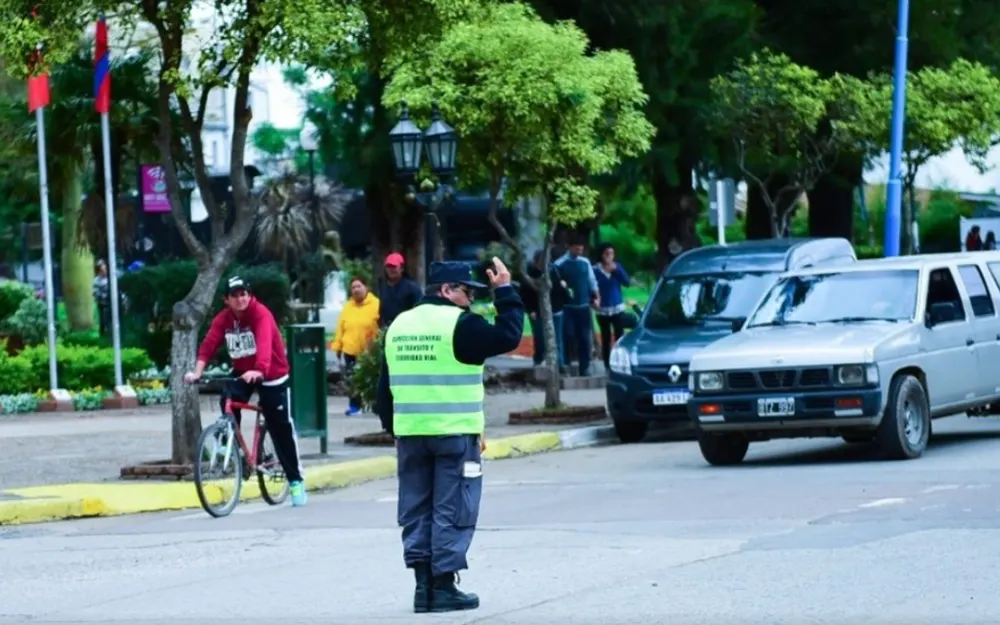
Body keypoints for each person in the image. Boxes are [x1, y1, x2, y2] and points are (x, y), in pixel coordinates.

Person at [377, 258, 523, 613]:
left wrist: (392, 428)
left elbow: (385, 386)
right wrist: (504, 289)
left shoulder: (400, 325)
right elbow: (509, 334)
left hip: (411, 435)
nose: (470, 299)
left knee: (415, 508)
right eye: (466, 291)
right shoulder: (460, 324)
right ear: (446, 290)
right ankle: (443, 586)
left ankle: (422, 587)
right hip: (454, 435)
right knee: (452, 507)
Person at [183, 275, 308, 507]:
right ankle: (233, 448)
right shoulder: (224, 318)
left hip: (271, 373)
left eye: (244, 294)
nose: (240, 299)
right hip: (243, 371)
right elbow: (209, 344)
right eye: (235, 295)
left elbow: (264, 345)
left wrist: (259, 370)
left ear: (250, 296)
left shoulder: (260, 313)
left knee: (280, 426)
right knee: (228, 400)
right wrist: (197, 371)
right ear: (226, 299)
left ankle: (295, 481)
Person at [330, 276, 381, 416]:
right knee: (352, 379)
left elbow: (380, 326)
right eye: (353, 287)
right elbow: (340, 327)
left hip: (369, 350)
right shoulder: (348, 306)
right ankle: (354, 406)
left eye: (359, 286)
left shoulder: (376, 304)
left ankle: (376, 405)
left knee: (372, 379)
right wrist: (338, 346)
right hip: (350, 349)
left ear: (366, 288)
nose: (356, 290)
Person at [554, 236, 600, 376]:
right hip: (568, 308)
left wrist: (596, 297)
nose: (579, 250)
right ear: (569, 246)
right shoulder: (559, 264)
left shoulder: (585, 263)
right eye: (576, 247)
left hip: (584, 306)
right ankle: (566, 365)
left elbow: (592, 281)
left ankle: (584, 367)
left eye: (581, 247)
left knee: (584, 338)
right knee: (568, 336)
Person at [520, 249, 569, 369]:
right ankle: (538, 359)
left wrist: (564, 288)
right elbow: (525, 294)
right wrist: (530, 310)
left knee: (557, 339)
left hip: (556, 309)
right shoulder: (530, 274)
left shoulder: (554, 271)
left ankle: (560, 364)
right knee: (540, 337)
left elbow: (561, 290)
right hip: (537, 311)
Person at [592, 243, 632, 371]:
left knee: (619, 337)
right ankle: (607, 365)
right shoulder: (595, 270)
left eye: (611, 253)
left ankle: (620, 362)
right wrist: (593, 300)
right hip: (602, 310)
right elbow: (591, 287)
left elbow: (627, 282)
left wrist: (616, 270)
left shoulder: (617, 267)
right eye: (607, 253)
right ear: (601, 255)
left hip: (617, 308)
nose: (609, 256)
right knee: (606, 338)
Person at [378, 252, 423, 328]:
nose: (391, 269)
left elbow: (420, 311)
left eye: (394, 266)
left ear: (401, 268)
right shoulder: (384, 288)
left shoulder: (412, 288)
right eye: (388, 266)